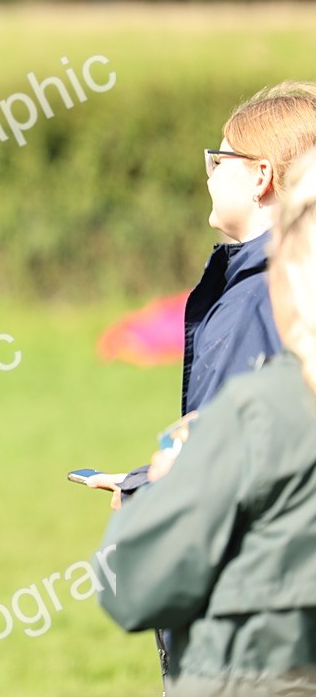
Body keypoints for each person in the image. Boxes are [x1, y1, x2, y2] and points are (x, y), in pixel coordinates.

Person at [96, 148, 316, 696]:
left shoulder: (266, 392)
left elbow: (134, 590)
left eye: (222, 157)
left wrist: (156, 492)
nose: (209, 170)